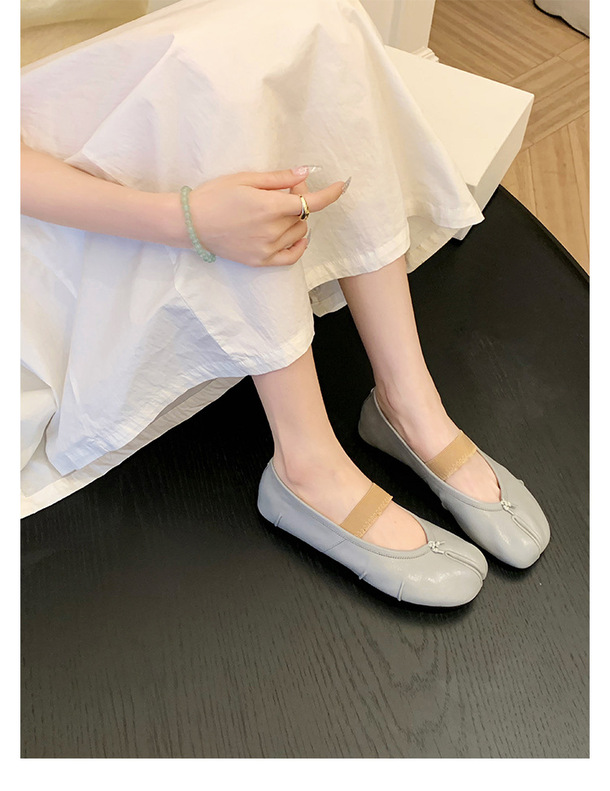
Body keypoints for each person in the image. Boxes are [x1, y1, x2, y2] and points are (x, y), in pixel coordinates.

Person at [20, 0, 550, 606]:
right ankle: (307, 465)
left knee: (317, 14)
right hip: (41, 147)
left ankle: (410, 403)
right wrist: (184, 219)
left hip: (116, 67)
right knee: (211, 75)